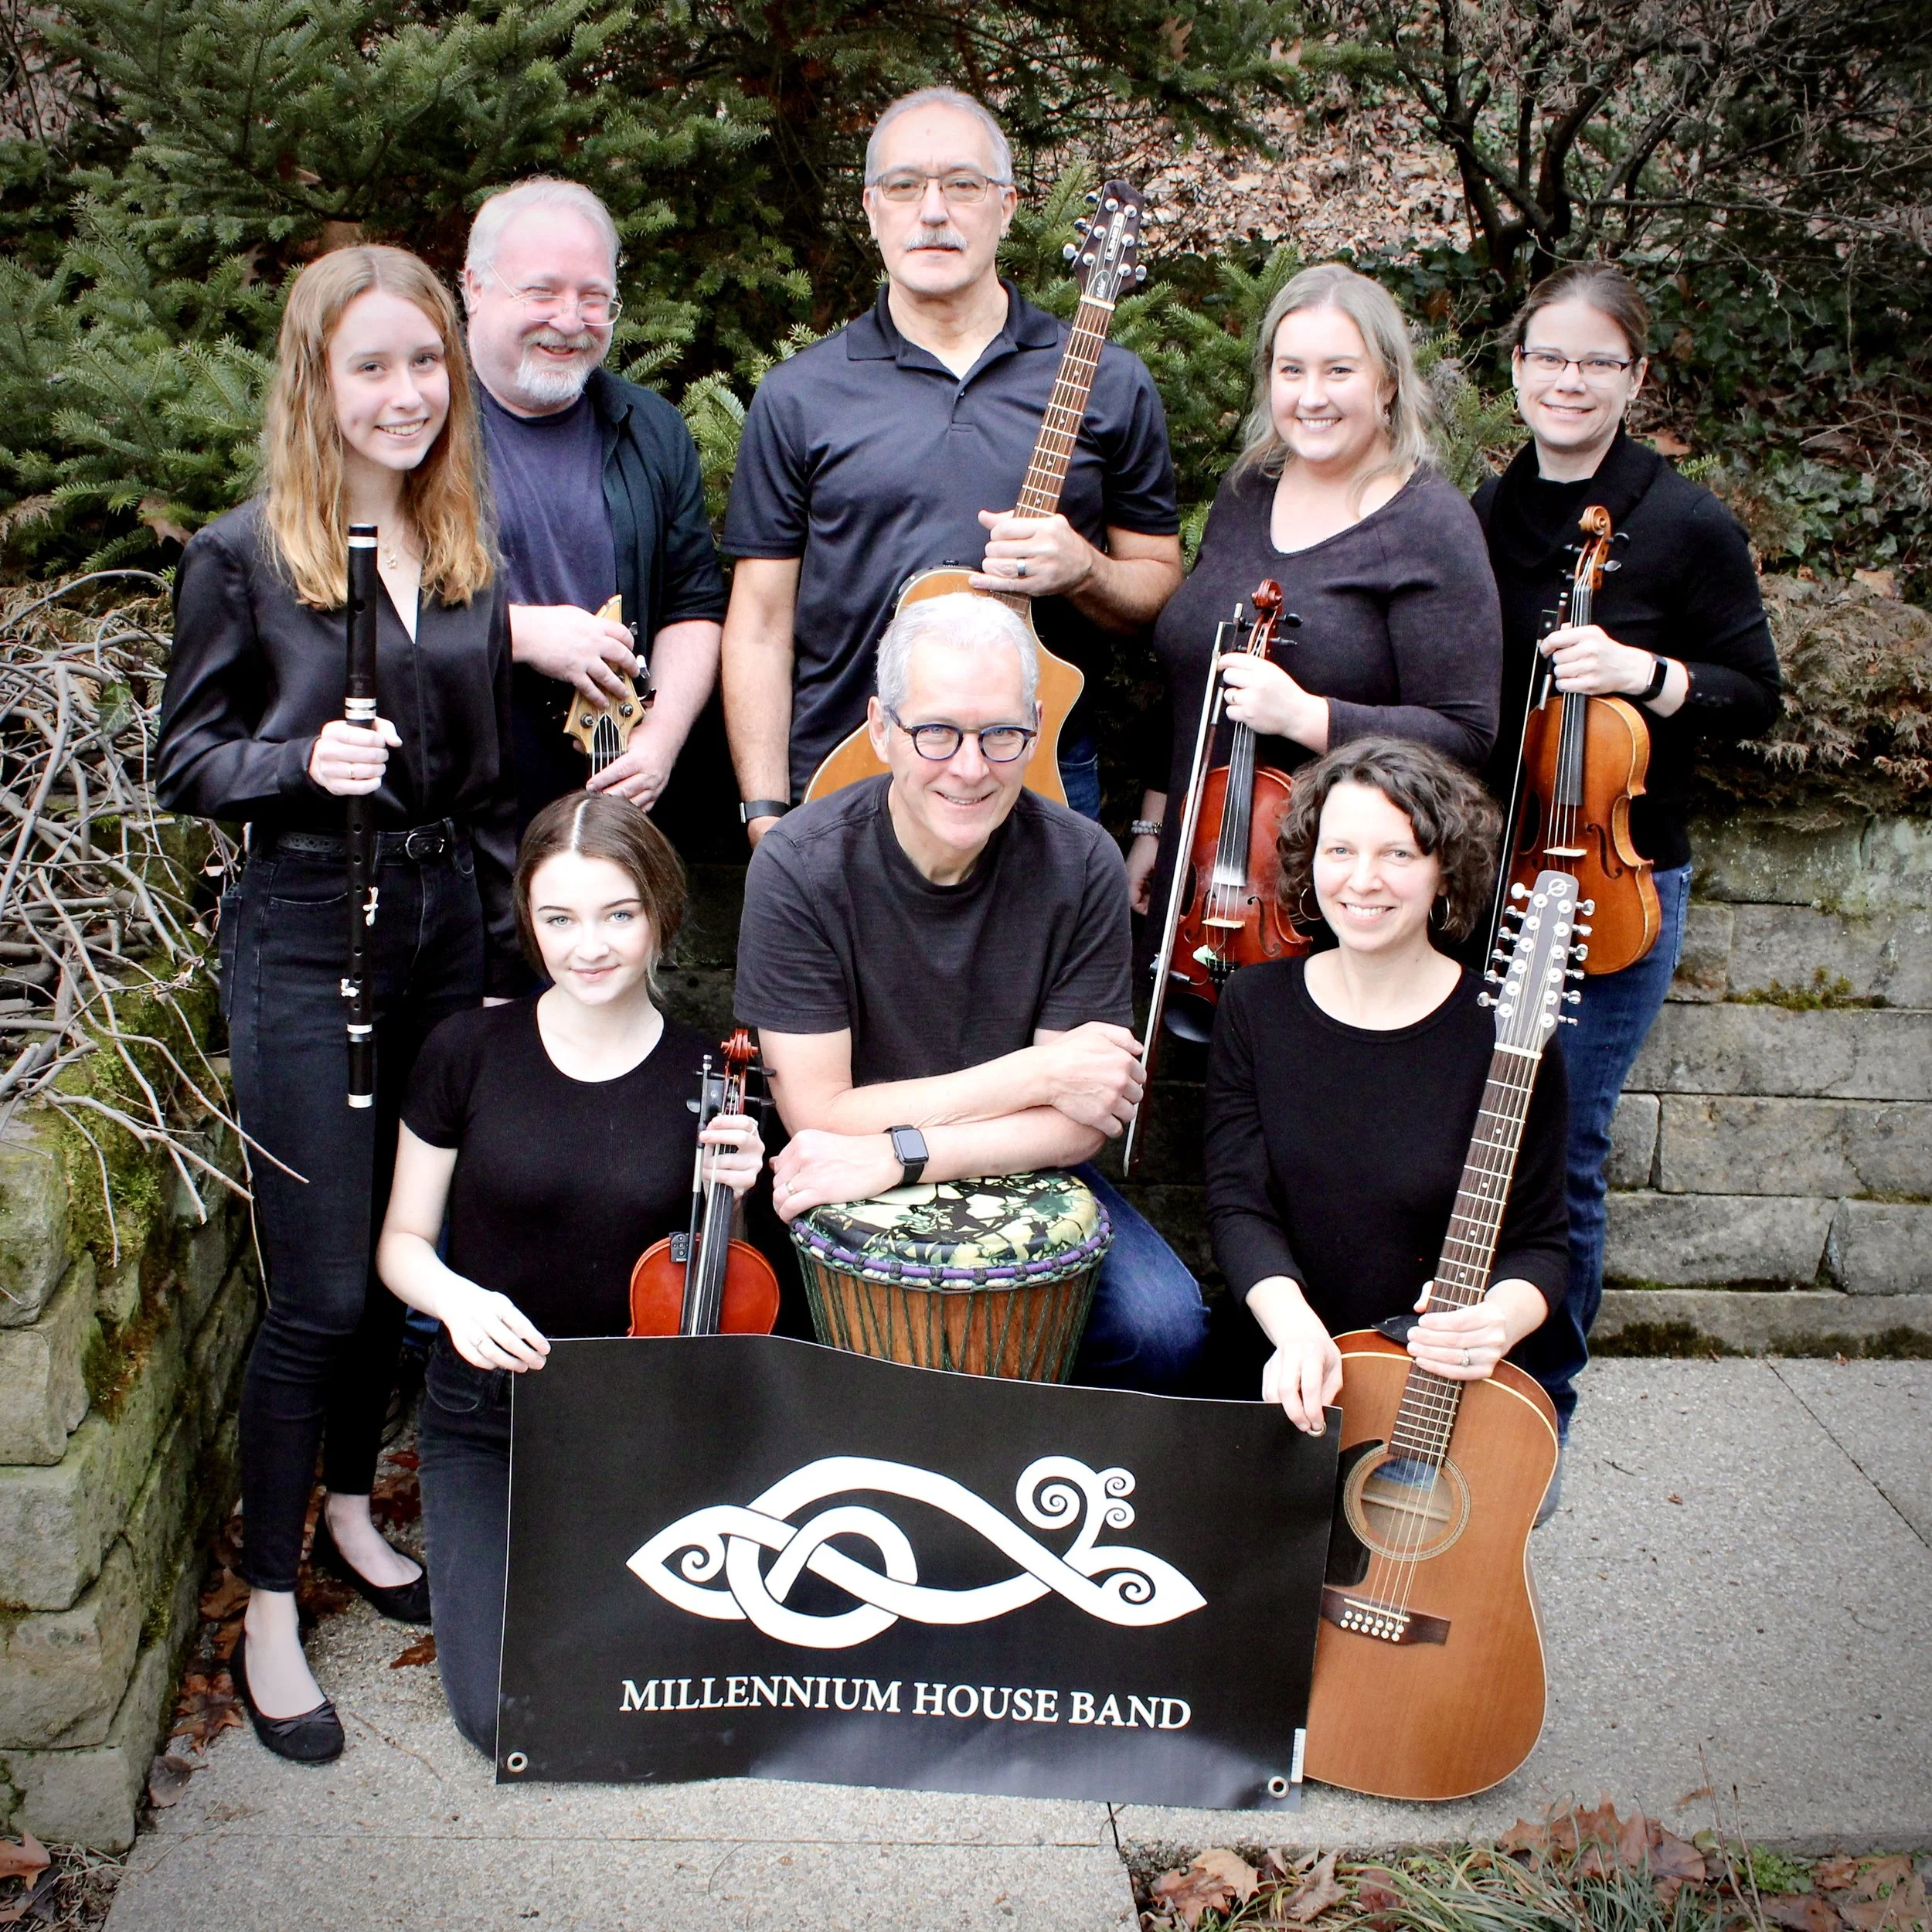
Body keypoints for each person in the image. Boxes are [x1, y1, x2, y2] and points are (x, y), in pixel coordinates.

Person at [157, 244, 520, 1763]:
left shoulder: (456, 547)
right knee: (314, 1285)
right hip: (306, 927)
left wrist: (501, 935)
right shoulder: (245, 556)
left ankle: (359, 1507)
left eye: (425, 361)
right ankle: (263, 1600)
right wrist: (299, 764)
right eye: (369, 365)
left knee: (398, 1261)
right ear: (317, 379)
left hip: (440, 921)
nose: (404, 392)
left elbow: (488, 770)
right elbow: (183, 761)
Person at [735, 590, 1208, 1392]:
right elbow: (817, 1113)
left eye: (1000, 734)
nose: (970, 765)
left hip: (1017, 1171)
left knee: (1161, 1328)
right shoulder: (800, 867)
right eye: (938, 731)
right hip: (835, 1181)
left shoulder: (1081, 863)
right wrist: (1036, 1075)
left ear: (1034, 726)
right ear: (883, 728)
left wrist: (899, 1151)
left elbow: (1074, 1126)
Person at [378, 795, 763, 1756]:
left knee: (667, 1682)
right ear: (529, 922)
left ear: (662, 914)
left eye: (617, 914)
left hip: (640, 1427)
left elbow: (723, 1291)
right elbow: (401, 1244)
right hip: (488, 1424)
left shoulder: (711, 1075)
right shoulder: (467, 1050)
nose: (587, 945)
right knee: (499, 1709)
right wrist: (457, 1299)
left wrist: (737, 1192)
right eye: (559, 918)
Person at [1474, 260, 1781, 1434]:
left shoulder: (1688, 522)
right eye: (1547, 355)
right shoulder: (1490, 510)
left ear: (1635, 377)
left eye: (1596, 360)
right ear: (1515, 368)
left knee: (1568, 1144)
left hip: (1614, 876)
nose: (1568, 379)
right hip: (1492, 874)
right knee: (1476, 1123)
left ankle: (1544, 1401)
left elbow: (1758, 697)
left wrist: (1649, 678)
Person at [721, 86, 1182, 834]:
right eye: (905, 187)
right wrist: (766, 809)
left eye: (961, 185)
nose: (932, 210)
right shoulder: (801, 395)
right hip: (847, 766)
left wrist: (1087, 571)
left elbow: (1162, 591)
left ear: (1006, 205)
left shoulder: (1105, 376)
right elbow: (761, 625)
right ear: (871, 208)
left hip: (1039, 771)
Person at [1203, 740, 1569, 1505]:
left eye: (1397, 853)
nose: (1362, 880)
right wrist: (1295, 1329)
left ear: (1443, 870)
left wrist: (1493, 1325)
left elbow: (1541, 1244)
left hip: (1433, 1398)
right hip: (1285, 1369)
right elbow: (1238, 1204)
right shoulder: (1254, 1006)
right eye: (1340, 849)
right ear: (1309, 860)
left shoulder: (1505, 1030)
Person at [1135, 264, 1502, 920]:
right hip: (1197, 882)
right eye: (1291, 370)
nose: (1312, 396)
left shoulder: (1429, 524)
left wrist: (1307, 717)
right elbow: (1193, 684)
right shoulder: (1246, 490)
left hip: (1333, 903)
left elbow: (1467, 733)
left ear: (1387, 380)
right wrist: (1155, 827)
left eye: (1339, 371)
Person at [461, 178, 727, 825]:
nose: (570, 321)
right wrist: (520, 632)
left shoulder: (651, 428)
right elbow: (356, 609)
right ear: (473, 287)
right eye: (543, 293)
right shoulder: (419, 428)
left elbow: (694, 605)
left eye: (594, 299)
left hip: (613, 805)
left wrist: (659, 740)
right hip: (455, 811)